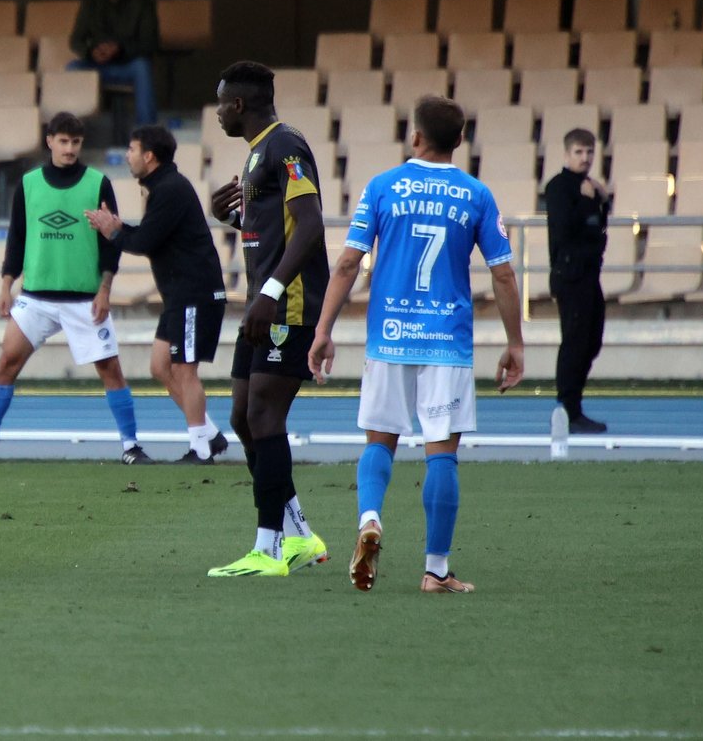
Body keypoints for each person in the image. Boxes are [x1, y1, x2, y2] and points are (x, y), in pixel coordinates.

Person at [308, 96, 525, 594]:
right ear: (460, 141)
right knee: (441, 455)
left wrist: (323, 330)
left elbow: (347, 264)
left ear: (415, 137)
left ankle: (370, 519)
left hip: (389, 336)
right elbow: (504, 274)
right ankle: (436, 570)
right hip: (446, 341)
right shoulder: (476, 194)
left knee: (380, 439)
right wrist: (515, 342)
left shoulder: (383, 187)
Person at [203, 61, 331, 578]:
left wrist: (273, 292)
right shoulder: (259, 152)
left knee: (263, 415)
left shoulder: (286, 146)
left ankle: (269, 549)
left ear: (238, 104)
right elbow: (271, 228)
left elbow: (311, 223)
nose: (215, 112)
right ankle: (300, 535)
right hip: (265, 303)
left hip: (288, 303)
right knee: (241, 416)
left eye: (219, 103)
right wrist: (229, 218)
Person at [0, 112, 143, 464]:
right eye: (63, 141)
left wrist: (105, 288)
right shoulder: (28, 184)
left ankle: (131, 446)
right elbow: (17, 239)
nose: (69, 149)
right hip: (36, 299)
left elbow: (110, 242)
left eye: (75, 142)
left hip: (84, 299)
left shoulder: (98, 183)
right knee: (6, 363)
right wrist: (5, 285)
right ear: (49, 141)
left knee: (111, 371)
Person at [84, 125, 228, 466]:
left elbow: (143, 242)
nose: (128, 156)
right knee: (160, 366)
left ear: (149, 156)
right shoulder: (163, 188)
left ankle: (201, 450)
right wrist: (119, 229)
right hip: (180, 296)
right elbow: (149, 237)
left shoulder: (170, 190)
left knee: (184, 370)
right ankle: (209, 434)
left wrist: (113, 231)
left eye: (132, 150)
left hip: (195, 294)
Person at [545, 128, 609, 434]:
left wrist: (603, 201)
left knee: (592, 341)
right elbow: (564, 230)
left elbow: (596, 229)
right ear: (567, 154)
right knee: (574, 341)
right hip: (570, 275)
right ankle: (568, 409)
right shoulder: (558, 187)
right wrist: (586, 203)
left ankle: (575, 405)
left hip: (589, 274)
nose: (585, 158)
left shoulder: (590, 188)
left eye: (589, 152)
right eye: (579, 152)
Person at [67, 0, 160, 127]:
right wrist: (91, 52)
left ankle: (147, 131)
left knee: (143, 67)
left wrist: (120, 49)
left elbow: (150, 43)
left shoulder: (142, 3)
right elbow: (75, 40)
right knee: (72, 68)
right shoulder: (91, 1)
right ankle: (71, 130)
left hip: (128, 65)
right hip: (97, 65)